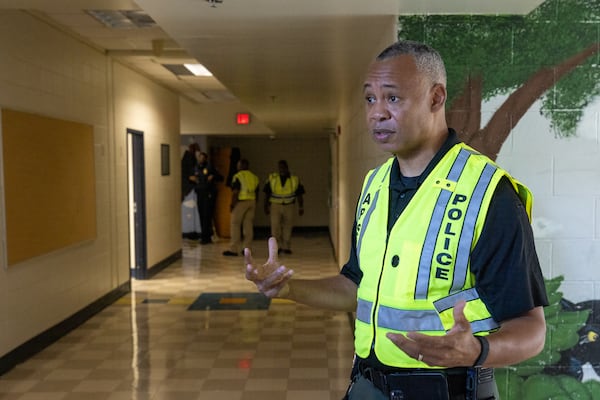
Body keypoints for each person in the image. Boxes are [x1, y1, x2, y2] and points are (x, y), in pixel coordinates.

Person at [245, 40, 548, 399]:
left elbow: (531, 329)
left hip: (448, 390)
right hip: (368, 385)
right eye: (370, 99)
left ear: (436, 98)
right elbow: (356, 289)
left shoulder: (488, 194)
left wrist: (478, 351)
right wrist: (288, 289)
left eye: (392, 98)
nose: (376, 113)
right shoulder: (375, 185)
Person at [263, 160, 305, 254]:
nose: (282, 169)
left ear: (287, 167)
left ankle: (286, 247)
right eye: (280, 167)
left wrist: (301, 207)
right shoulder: (273, 178)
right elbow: (267, 193)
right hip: (275, 205)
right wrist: (265, 206)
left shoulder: (294, 179)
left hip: (289, 205)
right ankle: (276, 248)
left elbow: (299, 194)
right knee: (275, 227)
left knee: (288, 226)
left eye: (283, 167)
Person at [223, 158, 260, 257]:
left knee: (235, 224)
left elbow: (235, 192)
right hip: (252, 202)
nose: (237, 166)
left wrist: (232, 204)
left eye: (238, 165)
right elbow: (257, 192)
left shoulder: (238, 176)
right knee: (248, 226)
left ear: (242, 166)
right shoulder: (254, 177)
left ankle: (234, 249)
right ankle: (246, 249)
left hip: (241, 202)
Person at [195, 151, 223, 244]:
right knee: (202, 215)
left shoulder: (210, 167)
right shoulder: (196, 167)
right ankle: (205, 235)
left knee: (207, 215)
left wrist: (213, 177)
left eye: (202, 158)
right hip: (200, 194)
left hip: (208, 194)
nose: (201, 159)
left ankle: (206, 237)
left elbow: (220, 177)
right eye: (199, 157)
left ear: (205, 159)